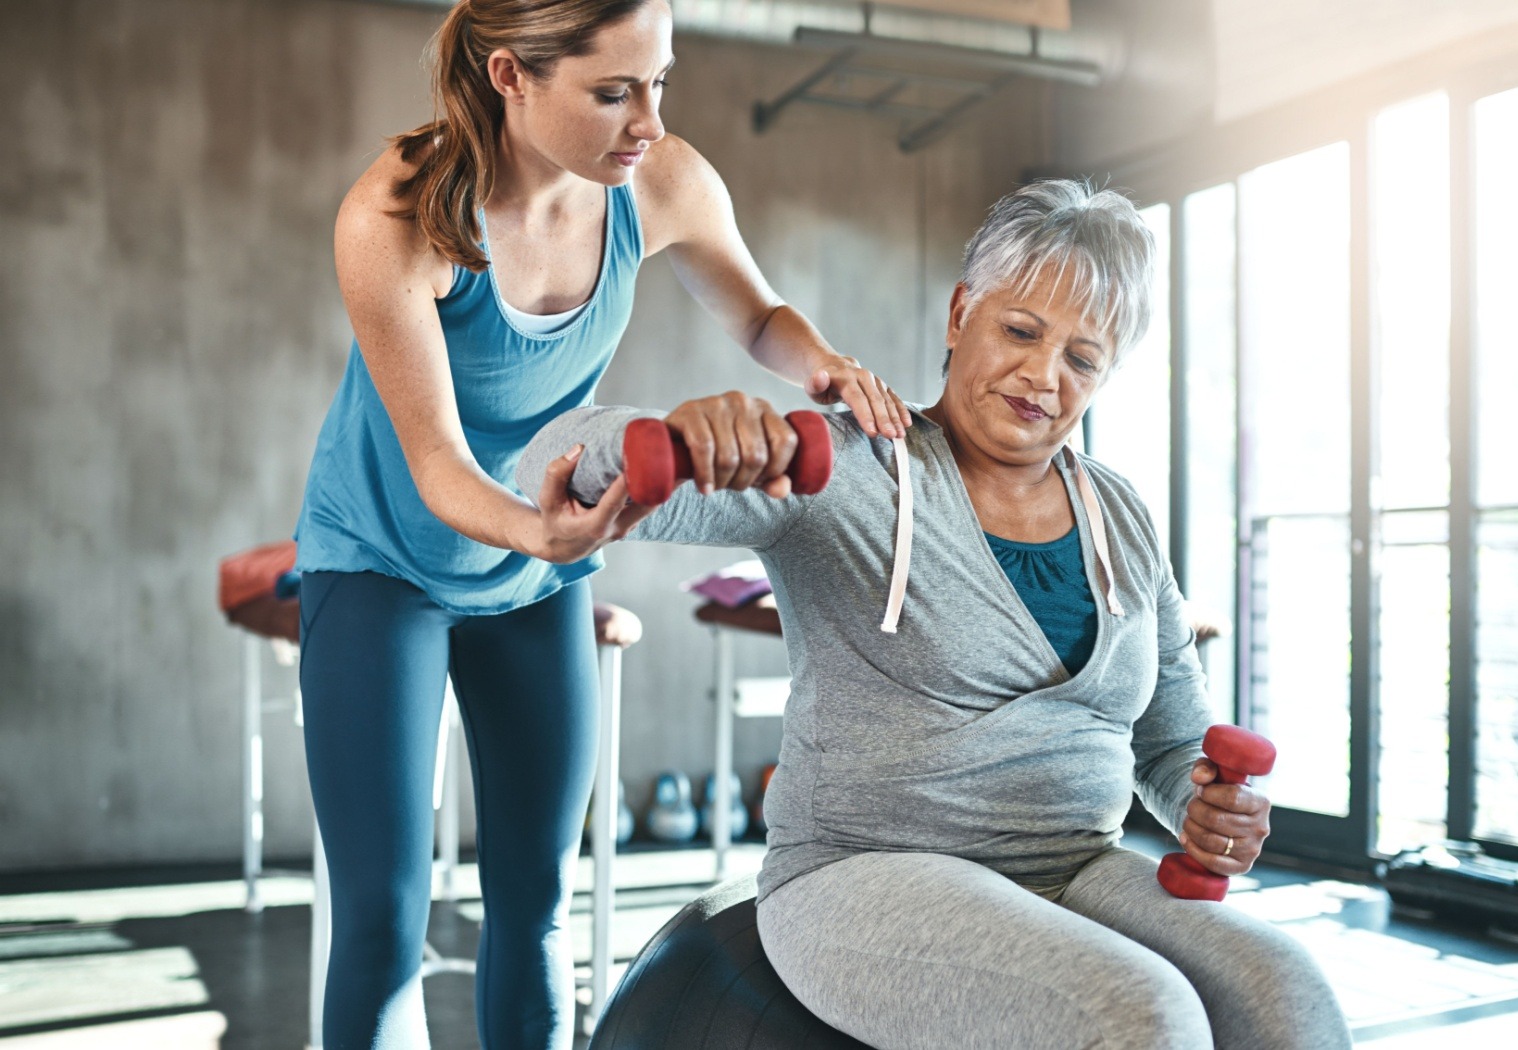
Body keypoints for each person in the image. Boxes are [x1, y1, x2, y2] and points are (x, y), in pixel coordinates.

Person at [518, 179, 1353, 1049]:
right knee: (1144, 1017)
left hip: (1074, 868)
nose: (1043, 375)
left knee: (1285, 992)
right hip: (863, 873)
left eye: (1082, 356)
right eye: (1021, 331)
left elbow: (1174, 744)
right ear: (962, 314)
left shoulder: (1123, 516)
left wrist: (1204, 806)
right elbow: (555, 457)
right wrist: (686, 438)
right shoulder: (852, 468)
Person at [292, 1, 910, 1046]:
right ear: (510, 78)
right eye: (614, 92)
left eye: (659, 82)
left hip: (533, 576)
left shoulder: (658, 182)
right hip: (384, 565)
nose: (649, 122)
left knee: (534, 903)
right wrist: (541, 536)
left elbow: (755, 312)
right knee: (384, 923)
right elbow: (438, 462)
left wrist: (822, 363)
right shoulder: (396, 214)